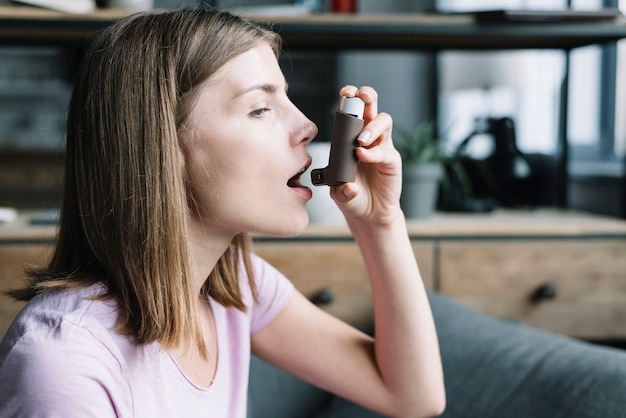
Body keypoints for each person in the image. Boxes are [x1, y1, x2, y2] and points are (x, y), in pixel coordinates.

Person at [0, 8, 445, 418]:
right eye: (260, 108)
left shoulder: (234, 286)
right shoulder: (65, 364)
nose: (308, 126)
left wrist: (380, 222)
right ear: (164, 147)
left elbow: (412, 396)